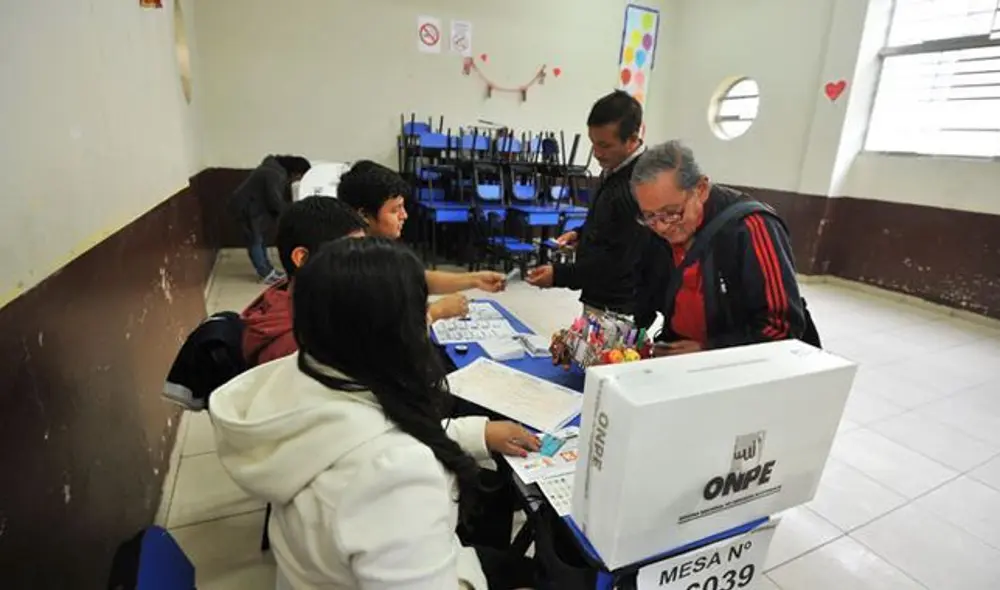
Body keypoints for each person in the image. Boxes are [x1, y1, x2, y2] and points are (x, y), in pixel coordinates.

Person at [210, 237, 542, 589]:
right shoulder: (393, 478)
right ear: (391, 334)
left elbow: (362, 431)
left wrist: (477, 433)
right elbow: (379, 454)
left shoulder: (304, 371)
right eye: (418, 312)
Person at [241, 197, 476, 367]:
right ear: (302, 258)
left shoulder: (304, 297)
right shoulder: (295, 348)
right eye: (349, 255)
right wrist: (432, 314)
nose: (360, 264)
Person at [631, 141, 816, 355]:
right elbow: (647, 288)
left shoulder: (751, 227)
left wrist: (707, 350)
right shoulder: (658, 228)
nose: (662, 226)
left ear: (700, 189)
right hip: (680, 356)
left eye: (672, 212)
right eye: (650, 216)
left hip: (739, 368)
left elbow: (782, 328)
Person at [526, 91, 648, 316]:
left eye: (605, 145)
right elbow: (611, 224)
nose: (596, 153)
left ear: (632, 140)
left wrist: (559, 275)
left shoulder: (638, 185)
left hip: (619, 306)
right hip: (599, 294)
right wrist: (581, 234)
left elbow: (618, 260)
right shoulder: (615, 168)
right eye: (593, 143)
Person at [337, 160, 508, 299]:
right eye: (395, 210)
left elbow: (415, 278)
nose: (404, 216)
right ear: (364, 215)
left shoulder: (379, 251)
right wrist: (436, 312)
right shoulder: (351, 267)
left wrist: (475, 279)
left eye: (403, 207)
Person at [229, 154, 312, 284]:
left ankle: (269, 270)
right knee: (255, 240)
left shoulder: (274, 170)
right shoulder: (273, 174)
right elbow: (275, 201)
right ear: (296, 171)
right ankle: (265, 273)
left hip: (252, 207)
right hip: (246, 208)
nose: (298, 179)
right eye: (300, 176)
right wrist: (292, 211)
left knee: (259, 240)